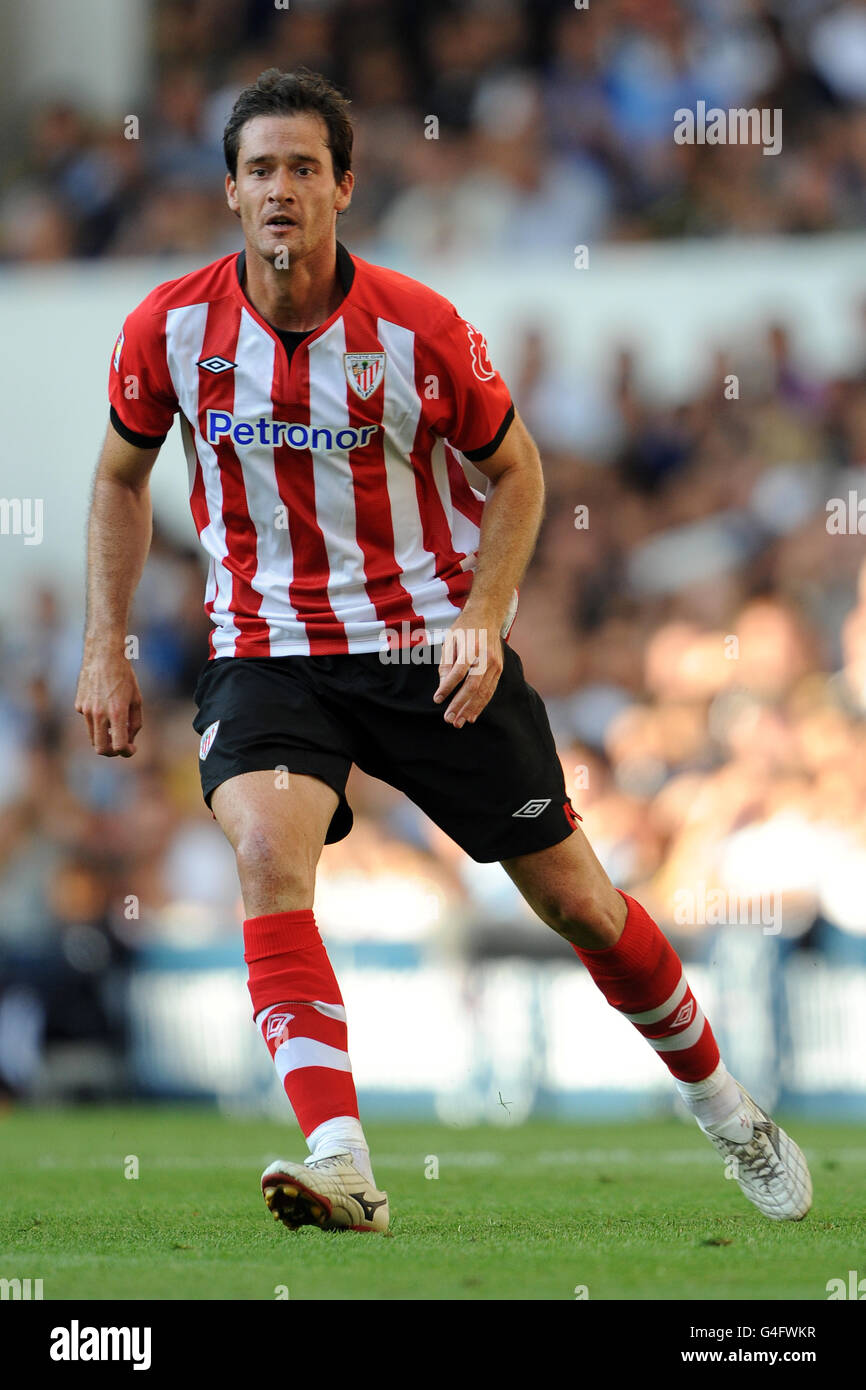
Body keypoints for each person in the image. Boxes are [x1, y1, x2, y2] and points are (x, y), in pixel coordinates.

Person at [75, 68, 811, 1235]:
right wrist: (104, 645)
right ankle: (342, 1156)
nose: (281, 189)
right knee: (267, 853)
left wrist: (482, 610)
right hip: (267, 649)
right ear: (228, 192)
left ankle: (724, 1107)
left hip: (425, 647)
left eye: (303, 169)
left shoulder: (416, 327)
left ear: (344, 188)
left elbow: (516, 470)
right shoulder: (166, 328)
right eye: (260, 169)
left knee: (576, 900)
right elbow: (118, 481)